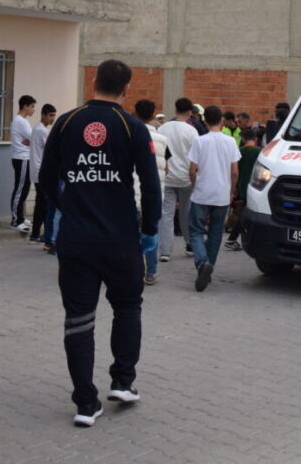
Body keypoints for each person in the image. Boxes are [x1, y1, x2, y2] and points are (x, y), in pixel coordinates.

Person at [38, 59, 161, 428]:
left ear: (93, 81)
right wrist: (150, 229)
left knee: (78, 320)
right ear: (126, 90)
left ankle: (85, 403)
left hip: (76, 241)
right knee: (127, 306)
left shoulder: (67, 122)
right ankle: (123, 381)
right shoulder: (133, 127)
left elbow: (45, 181)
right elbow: (151, 184)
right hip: (121, 239)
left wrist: (67, 208)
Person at [187, 105, 241, 292]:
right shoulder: (231, 142)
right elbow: (235, 171)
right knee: (216, 235)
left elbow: (192, 170)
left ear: (205, 121)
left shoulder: (199, 141)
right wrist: (232, 190)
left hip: (202, 193)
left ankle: (202, 263)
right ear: (221, 120)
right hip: (221, 194)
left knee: (195, 231)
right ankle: (208, 268)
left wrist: (195, 184)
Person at [158, 98, 199, 263]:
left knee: (166, 214)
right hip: (186, 178)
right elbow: (196, 157)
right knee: (186, 212)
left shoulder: (162, 128)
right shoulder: (191, 131)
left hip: (167, 177)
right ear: (190, 112)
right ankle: (189, 245)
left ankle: (165, 251)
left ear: (175, 110)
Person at [133, 99, 168, 285]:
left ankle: (135, 270)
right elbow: (166, 167)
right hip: (155, 195)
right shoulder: (162, 139)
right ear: (153, 114)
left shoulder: (129, 135)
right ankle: (151, 272)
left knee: (131, 236)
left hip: (132, 194)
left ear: (135, 113)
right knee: (151, 232)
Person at [223, 128, 261, 251]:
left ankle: (234, 238)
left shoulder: (239, 151)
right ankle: (232, 239)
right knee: (246, 215)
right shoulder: (260, 152)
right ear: (255, 139)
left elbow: (233, 171)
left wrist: (233, 188)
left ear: (243, 139)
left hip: (241, 187)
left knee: (242, 213)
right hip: (256, 187)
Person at [29, 104, 57, 246]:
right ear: (44, 115)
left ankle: (37, 234)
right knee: (44, 204)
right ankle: (44, 235)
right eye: (51, 115)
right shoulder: (42, 131)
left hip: (36, 169)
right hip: (41, 170)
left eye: (54, 115)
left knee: (41, 204)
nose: (53, 118)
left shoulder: (37, 129)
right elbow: (50, 151)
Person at [10, 95, 36, 231]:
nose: (33, 110)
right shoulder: (21, 121)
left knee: (24, 188)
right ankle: (16, 220)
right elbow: (34, 139)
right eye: (32, 106)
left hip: (23, 158)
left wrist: (31, 142)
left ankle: (20, 217)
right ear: (25, 106)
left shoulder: (20, 120)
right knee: (20, 189)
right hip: (22, 159)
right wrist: (31, 142)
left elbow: (31, 140)